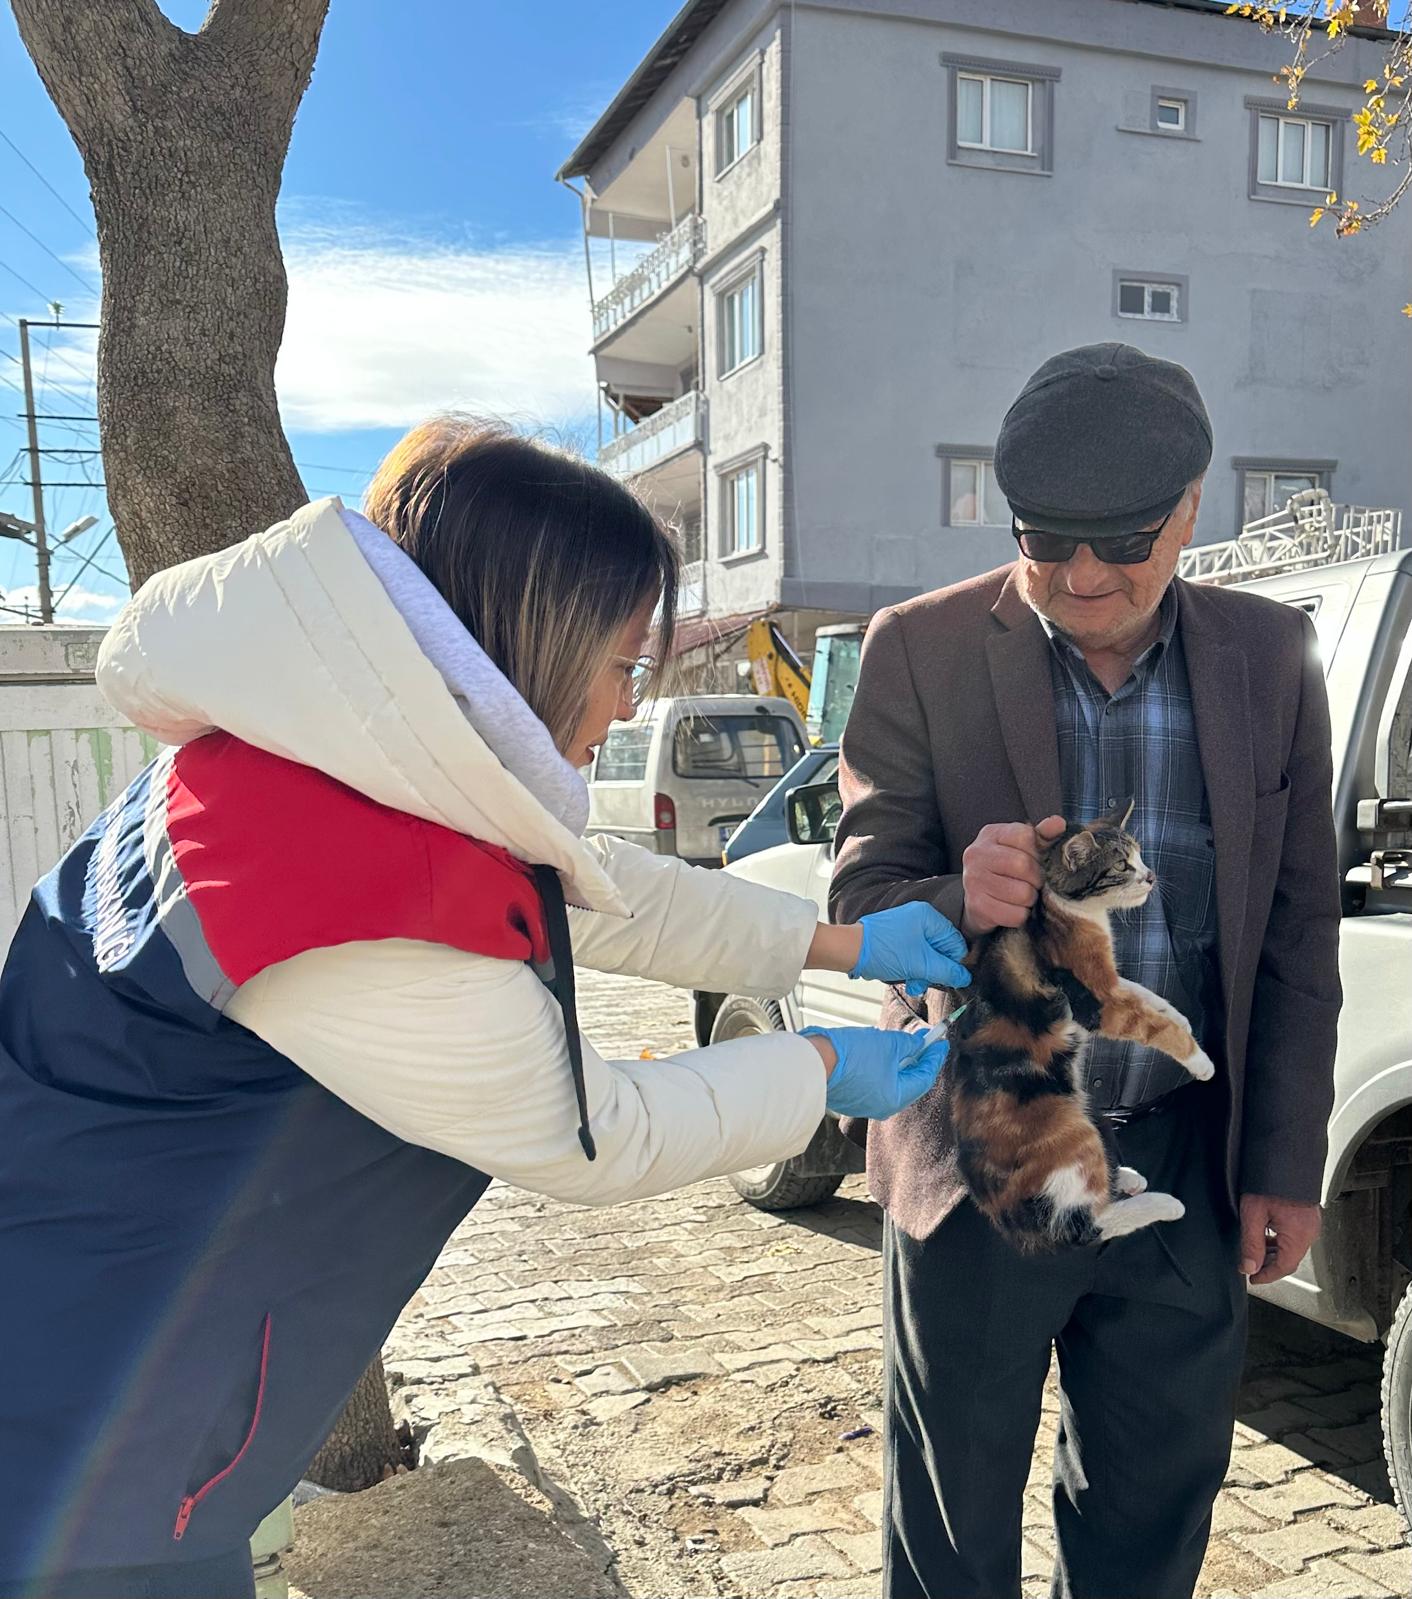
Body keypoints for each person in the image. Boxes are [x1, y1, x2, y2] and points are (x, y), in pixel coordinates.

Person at [0, 420, 969, 1599]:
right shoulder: (346, 888)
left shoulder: (315, 766)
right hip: (96, 1451)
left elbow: (588, 890)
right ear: (532, 643)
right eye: (621, 667)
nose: (622, 709)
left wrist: (834, 936)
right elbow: (592, 1132)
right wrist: (821, 1068)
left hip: (93, 1355)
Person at [831, 344, 1342, 1599]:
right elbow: (856, 892)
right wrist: (957, 895)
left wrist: (1281, 1160)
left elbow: (1294, 933)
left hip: (1183, 1167)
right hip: (978, 1160)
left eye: (1120, 540)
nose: (1079, 576)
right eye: (1043, 538)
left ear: (1190, 509)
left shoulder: (1270, 656)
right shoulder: (918, 647)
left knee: (1148, 1527)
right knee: (949, 1533)